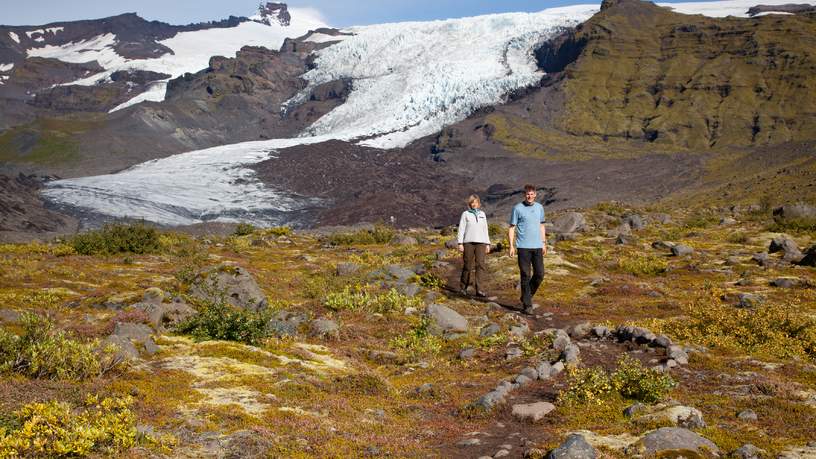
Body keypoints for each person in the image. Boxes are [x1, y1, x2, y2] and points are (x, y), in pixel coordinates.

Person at [508, 184, 547, 313]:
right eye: (527, 194)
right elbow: (512, 227)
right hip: (523, 247)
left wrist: (543, 243)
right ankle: (527, 305)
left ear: (535, 194)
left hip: (537, 246)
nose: (529, 196)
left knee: (540, 274)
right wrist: (511, 246)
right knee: (525, 275)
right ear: (524, 195)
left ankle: (526, 296)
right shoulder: (517, 208)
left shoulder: (539, 208)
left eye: (532, 194)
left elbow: (541, 225)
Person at [457, 194, 490, 297]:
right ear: (470, 204)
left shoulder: (482, 214)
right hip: (468, 243)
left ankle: (479, 289)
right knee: (467, 265)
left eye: (475, 202)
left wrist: (488, 243)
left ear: (478, 203)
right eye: (472, 202)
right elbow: (461, 229)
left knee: (480, 265)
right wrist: (460, 243)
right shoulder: (465, 214)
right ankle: (463, 288)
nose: (474, 204)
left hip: (481, 243)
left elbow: (485, 229)